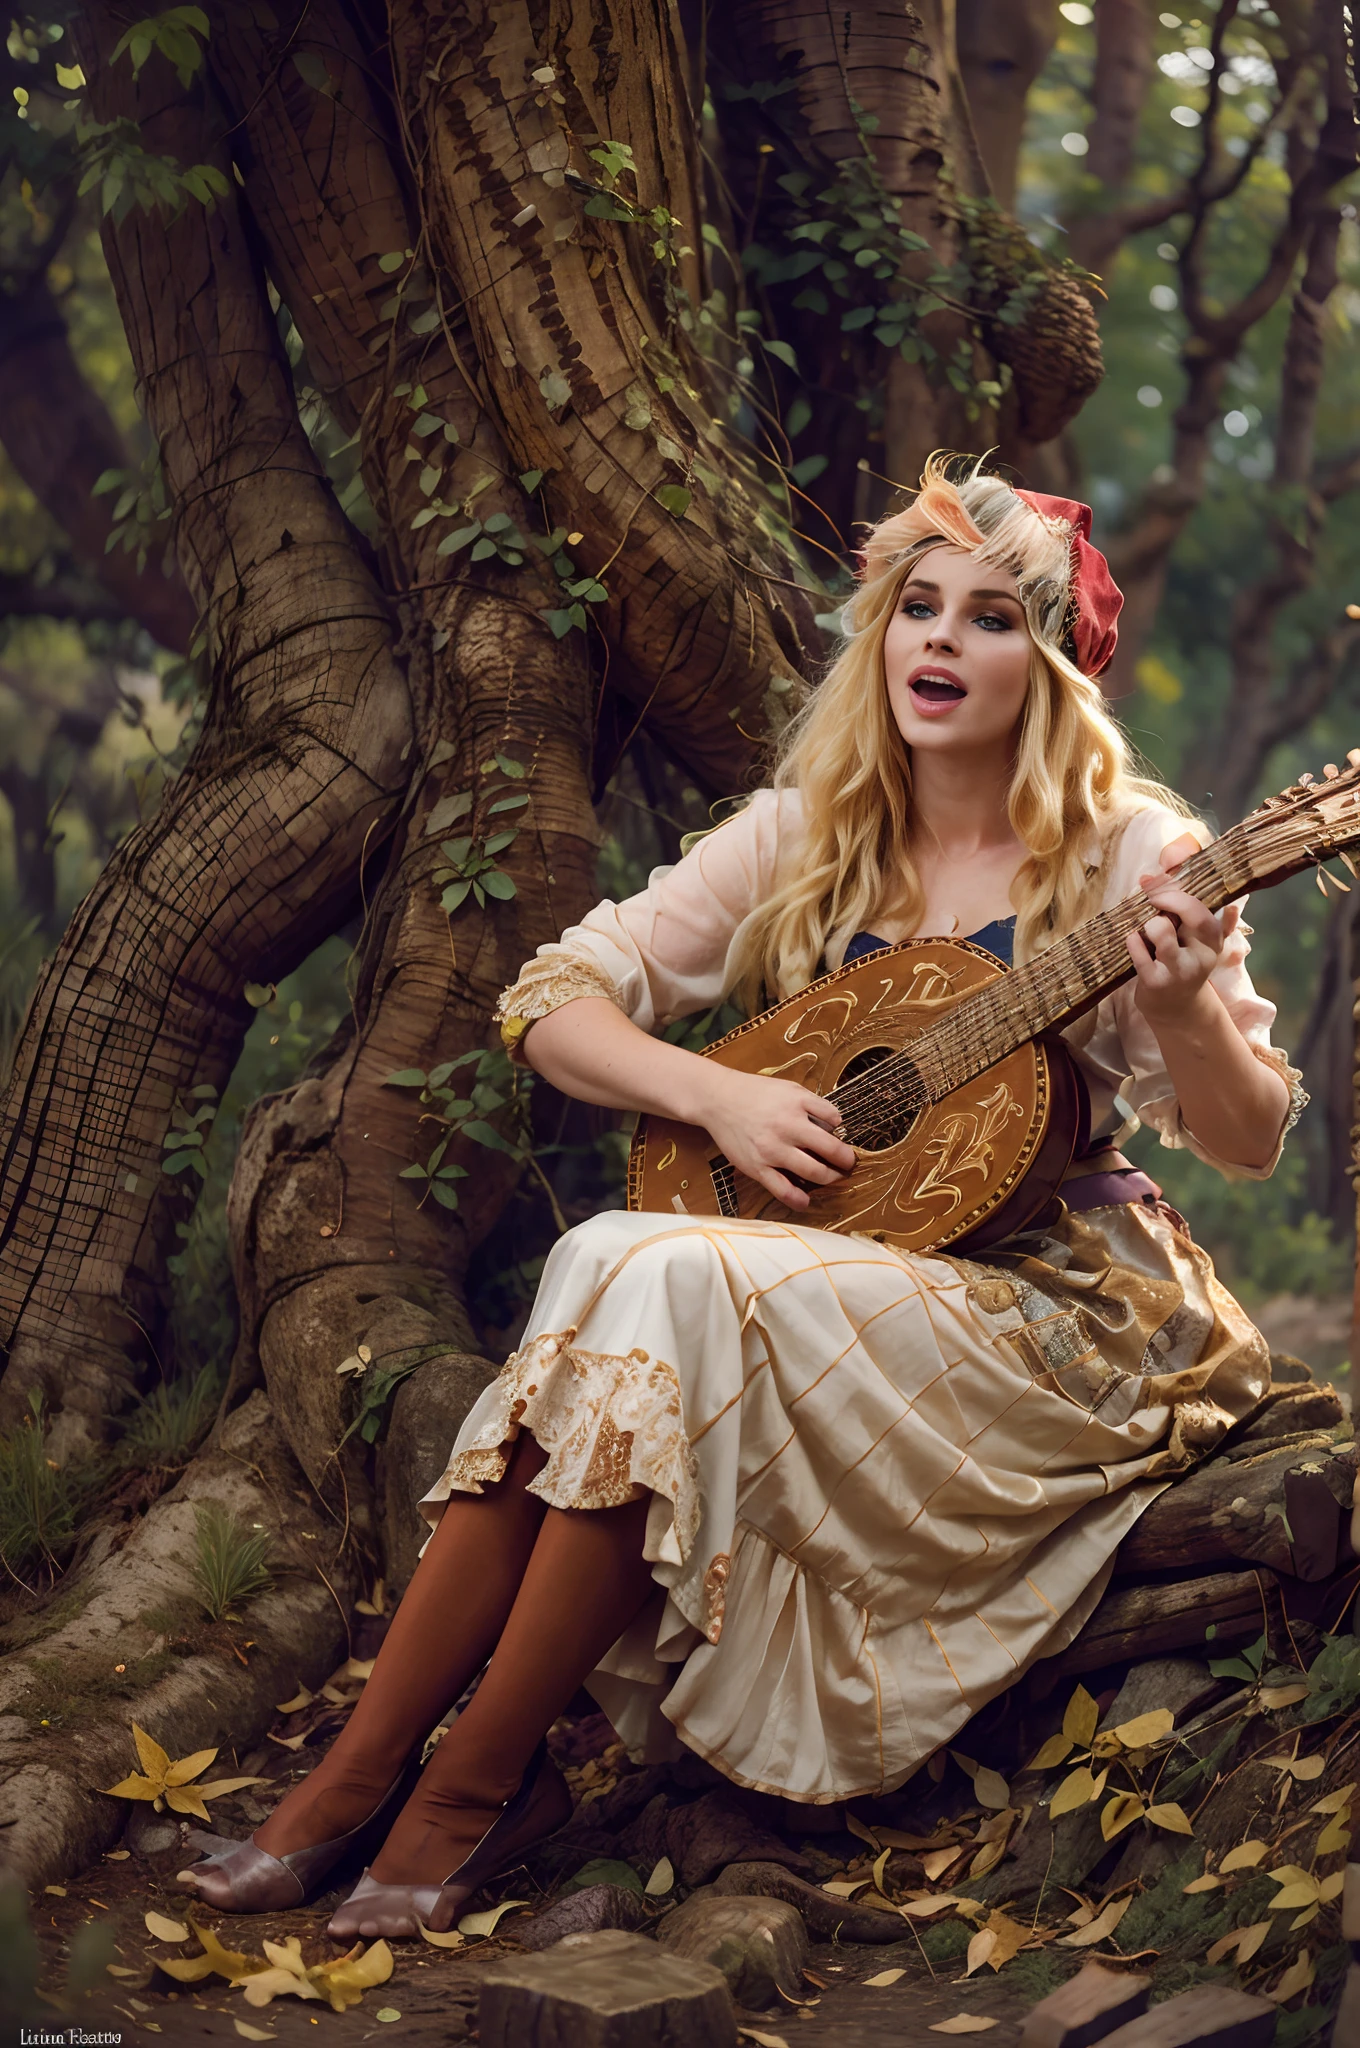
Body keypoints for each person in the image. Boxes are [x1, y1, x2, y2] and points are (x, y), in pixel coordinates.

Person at [180, 456, 1300, 1939]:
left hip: (1055, 1312)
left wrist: (1188, 1010)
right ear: (879, 633)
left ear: (1053, 663)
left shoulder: (1135, 857)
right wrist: (718, 1095)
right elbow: (553, 996)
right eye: (918, 609)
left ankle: (462, 1790)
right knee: (628, 1258)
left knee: (636, 1266)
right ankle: (369, 1778)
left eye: (990, 619)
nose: (942, 645)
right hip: (844, 1275)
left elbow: (1251, 1139)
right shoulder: (802, 833)